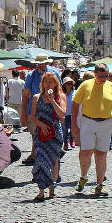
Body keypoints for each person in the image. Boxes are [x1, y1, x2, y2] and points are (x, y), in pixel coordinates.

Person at [72, 63, 112, 197]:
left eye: (105, 76)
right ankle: (83, 176)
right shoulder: (86, 85)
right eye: (100, 76)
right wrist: (74, 124)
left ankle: (99, 185)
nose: (103, 78)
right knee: (85, 152)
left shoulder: (111, 86)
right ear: (95, 74)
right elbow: (75, 104)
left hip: (106, 122)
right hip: (88, 121)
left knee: (101, 154)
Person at [29, 72, 66, 201]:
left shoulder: (60, 96)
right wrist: (41, 125)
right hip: (40, 133)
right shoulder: (36, 97)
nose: (48, 84)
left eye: (50, 82)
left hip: (55, 133)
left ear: (55, 83)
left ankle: (52, 190)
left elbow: (62, 114)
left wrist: (53, 102)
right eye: (46, 81)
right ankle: (41, 191)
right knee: (40, 159)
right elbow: (32, 116)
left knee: (54, 160)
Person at [21, 55, 62, 164]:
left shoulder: (54, 73)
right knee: (36, 136)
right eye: (38, 63)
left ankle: (46, 159)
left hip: (52, 113)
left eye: (42, 63)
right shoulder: (31, 75)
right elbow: (25, 95)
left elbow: (60, 92)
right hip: (35, 112)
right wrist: (23, 113)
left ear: (46, 63)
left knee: (49, 138)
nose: (40, 65)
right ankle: (37, 158)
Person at [61, 77, 76, 151]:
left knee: (73, 128)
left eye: (70, 83)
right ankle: (65, 143)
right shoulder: (61, 93)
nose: (69, 85)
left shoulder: (75, 92)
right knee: (64, 129)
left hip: (73, 114)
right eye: (67, 84)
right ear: (64, 85)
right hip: (64, 114)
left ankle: (71, 139)